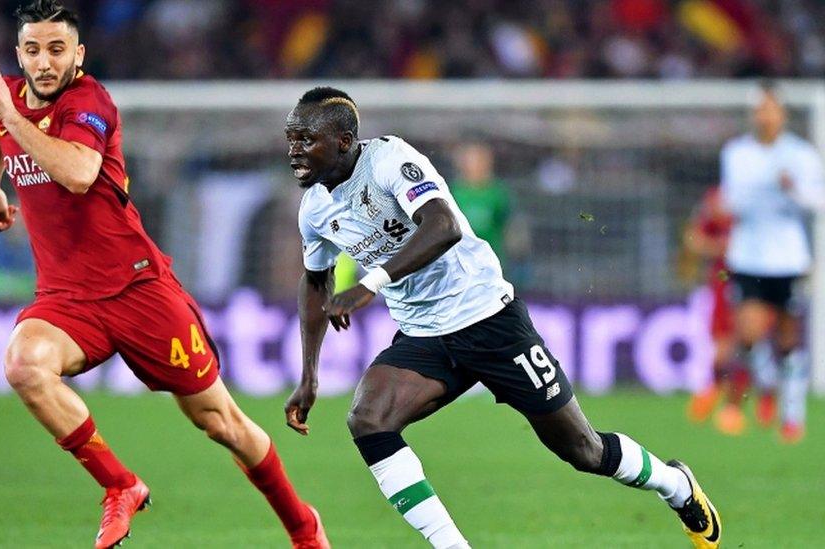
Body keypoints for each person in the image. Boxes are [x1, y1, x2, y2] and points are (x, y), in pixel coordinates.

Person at [283, 87, 722, 548]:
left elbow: (444, 226)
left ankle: (676, 486)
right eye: (290, 139)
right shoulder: (314, 208)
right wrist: (309, 374)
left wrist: (369, 284)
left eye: (305, 139)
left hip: (487, 317)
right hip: (425, 335)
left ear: (345, 140)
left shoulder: (391, 160)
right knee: (368, 419)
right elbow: (316, 282)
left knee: (583, 450)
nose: (294, 151)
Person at [0, 3, 328, 548]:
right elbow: (2, 130)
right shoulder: (8, 99)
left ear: (78, 55)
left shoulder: (90, 101)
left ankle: (303, 527)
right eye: (33, 50)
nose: (45, 63)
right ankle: (120, 485)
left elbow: (77, 172)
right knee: (23, 365)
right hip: (68, 300)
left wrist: (12, 117)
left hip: (139, 290)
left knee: (221, 423)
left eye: (57, 49)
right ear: (20, 54)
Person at [720, 82, 825, 444]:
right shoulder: (736, 153)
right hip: (748, 255)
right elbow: (732, 202)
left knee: (787, 341)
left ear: (781, 114)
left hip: (788, 257)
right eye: (759, 109)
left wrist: (793, 188)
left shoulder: (801, 155)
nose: (764, 116)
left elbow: (817, 202)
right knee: (748, 335)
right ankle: (764, 387)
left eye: (770, 109)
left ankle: (791, 415)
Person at [682, 187, 749, 435]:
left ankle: (746, 403)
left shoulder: (759, 197)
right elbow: (693, 239)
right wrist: (720, 247)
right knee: (723, 343)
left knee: (748, 340)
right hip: (723, 281)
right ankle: (720, 395)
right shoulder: (717, 198)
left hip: (755, 281)